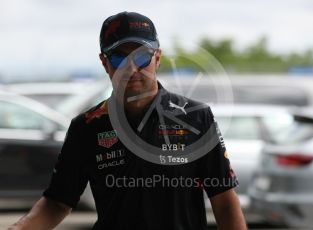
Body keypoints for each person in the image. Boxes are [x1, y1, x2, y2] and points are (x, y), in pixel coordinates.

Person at [9, 12, 247, 230]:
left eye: (142, 57)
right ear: (105, 63)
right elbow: (57, 202)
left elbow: (224, 199)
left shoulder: (196, 116)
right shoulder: (87, 127)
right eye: (119, 58)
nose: (131, 68)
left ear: (158, 58)